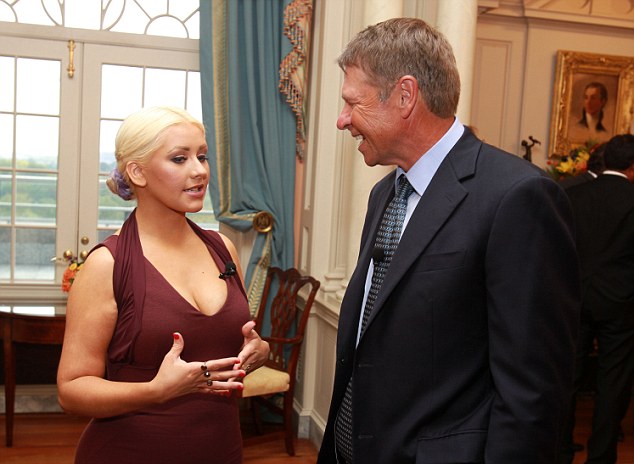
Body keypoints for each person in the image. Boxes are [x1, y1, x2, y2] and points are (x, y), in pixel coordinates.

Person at [317, 18, 580, 463]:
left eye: (352, 103)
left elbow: (532, 395)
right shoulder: (386, 193)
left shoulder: (517, 197)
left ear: (405, 96)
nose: (343, 120)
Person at [57, 106, 270, 463]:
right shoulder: (108, 264)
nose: (200, 170)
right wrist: (156, 391)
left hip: (222, 449)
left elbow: (228, 343)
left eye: (202, 156)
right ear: (137, 172)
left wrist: (259, 351)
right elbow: (71, 391)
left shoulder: (223, 248)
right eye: (179, 158)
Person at [560, 134, 634, 464]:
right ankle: (601, 456)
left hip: (573, 297)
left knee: (567, 377)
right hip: (620, 303)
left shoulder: (572, 193)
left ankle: (560, 450)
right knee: (613, 381)